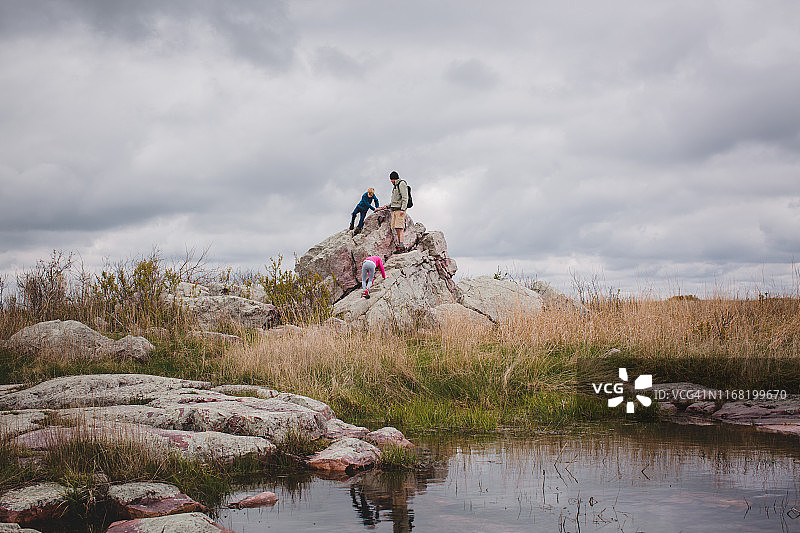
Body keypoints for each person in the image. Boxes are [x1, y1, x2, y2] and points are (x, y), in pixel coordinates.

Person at [377, 171, 409, 252]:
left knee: (399, 227)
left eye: (391, 179)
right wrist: (386, 206)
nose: (391, 181)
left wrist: (403, 209)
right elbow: (394, 201)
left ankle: (401, 245)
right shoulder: (395, 186)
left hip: (400, 210)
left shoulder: (401, 184)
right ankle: (400, 244)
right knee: (396, 227)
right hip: (395, 209)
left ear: (394, 178)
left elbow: (405, 197)